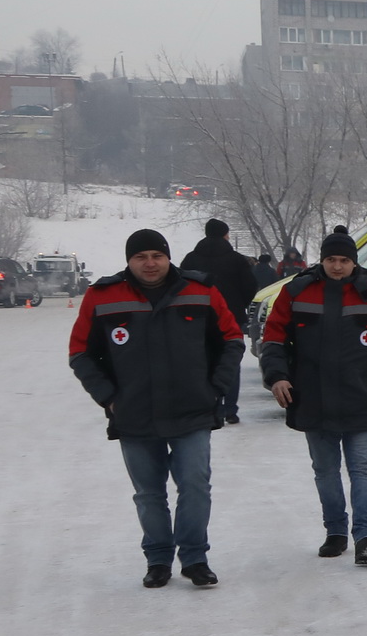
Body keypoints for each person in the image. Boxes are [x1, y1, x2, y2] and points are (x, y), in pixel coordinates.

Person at [67, 228, 243, 588]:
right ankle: (158, 559)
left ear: (168, 257)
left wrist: (215, 389)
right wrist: (109, 397)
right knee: (149, 494)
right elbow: (80, 352)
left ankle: (195, 558)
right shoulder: (103, 296)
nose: (149, 263)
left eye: (156, 256)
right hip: (134, 415)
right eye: (140, 257)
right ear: (129, 261)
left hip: (192, 410)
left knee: (195, 486)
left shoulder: (201, 290)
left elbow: (231, 340)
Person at [260, 230, 367, 565]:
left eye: (343, 260)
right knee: (325, 470)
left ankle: (366, 536)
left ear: (354, 262)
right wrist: (277, 376)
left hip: (362, 397)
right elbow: (274, 340)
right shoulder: (295, 292)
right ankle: (336, 532)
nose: (337, 267)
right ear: (321, 260)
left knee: (363, 469)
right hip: (313, 397)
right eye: (331, 260)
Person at [180, 218, 259, 424]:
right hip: (231, 317)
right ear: (226, 234)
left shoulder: (190, 259)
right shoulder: (237, 260)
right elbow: (250, 286)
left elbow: (179, 286)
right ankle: (229, 409)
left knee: (202, 362)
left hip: (195, 318)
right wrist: (239, 304)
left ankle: (210, 406)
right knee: (230, 361)